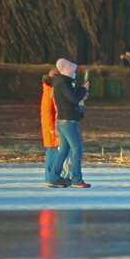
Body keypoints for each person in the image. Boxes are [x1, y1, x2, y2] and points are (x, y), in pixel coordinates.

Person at [52, 58, 91, 188]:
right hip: (68, 121)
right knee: (77, 149)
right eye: (72, 70)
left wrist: (81, 91)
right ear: (66, 70)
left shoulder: (62, 82)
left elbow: (72, 97)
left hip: (63, 120)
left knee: (63, 150)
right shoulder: (63, 83)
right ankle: (76, 179)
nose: (74, 73)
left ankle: (54, 177)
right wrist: (83, 90)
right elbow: (74, 99)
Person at [40, 69, 67, 187]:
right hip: (51, 127)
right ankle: (51, 178)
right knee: (53, 151)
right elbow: (48, 113)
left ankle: (51, 177)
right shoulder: (50, 92)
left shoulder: (49, 90)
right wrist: (52, 128)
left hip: (50, 126)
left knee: (52, 151)